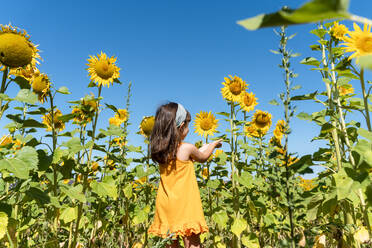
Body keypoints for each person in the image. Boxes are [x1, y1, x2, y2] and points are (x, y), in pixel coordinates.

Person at [147, 102, 222, 248]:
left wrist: (200, 150)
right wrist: (213, 145)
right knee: (192, 243)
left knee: (170, 243)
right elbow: (202, 156)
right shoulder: (186, 148)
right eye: (187, 126)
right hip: (185, 204)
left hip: (166, 204)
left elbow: (190, 156)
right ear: (180, 127)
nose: (188, 130)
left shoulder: (161, 152)